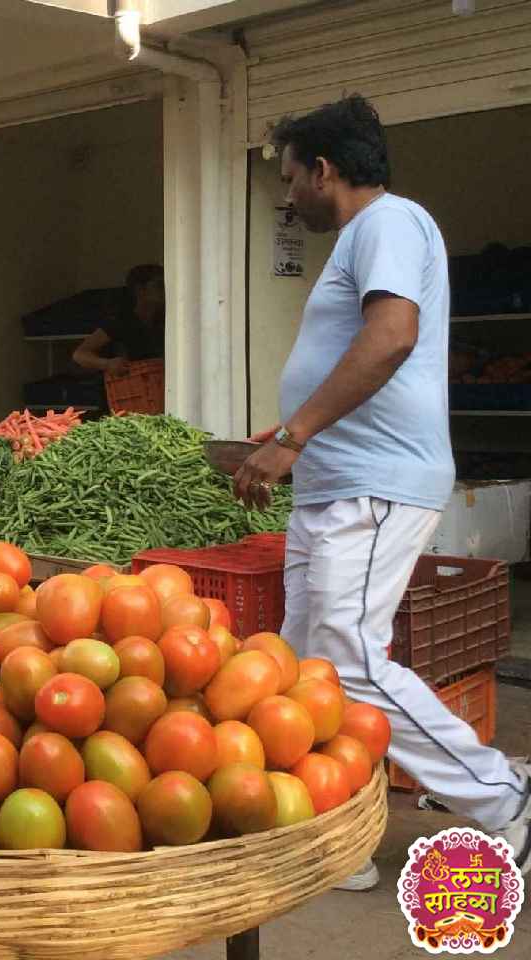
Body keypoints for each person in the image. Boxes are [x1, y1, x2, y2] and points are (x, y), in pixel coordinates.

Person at [234, 94, 529, 886]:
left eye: (292, 178)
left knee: (349, 662)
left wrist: (297, 437)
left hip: (375, 484)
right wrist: (292, 433)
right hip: (338, 481)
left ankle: (507, 798)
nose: (288, 195)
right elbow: (360, 352)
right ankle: (336, 832)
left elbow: (392, 336)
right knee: (303, 670)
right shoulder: (366, 236)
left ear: (324, 171)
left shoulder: (388, 223)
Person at [71, 264, 165, 377]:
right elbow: (79, 354)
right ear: (140, 290)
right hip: (131, 387)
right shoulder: (123, 321)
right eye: (159, 285)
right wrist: (107, 364)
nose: (165, 290)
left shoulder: (165, 321)